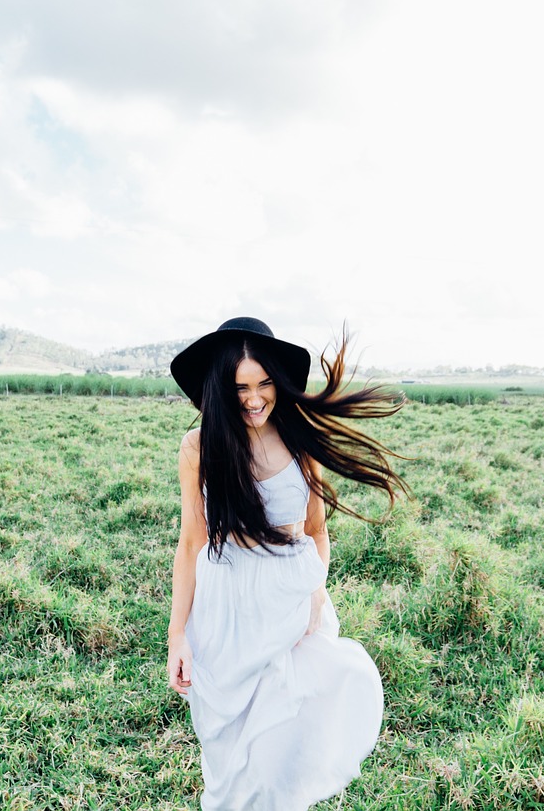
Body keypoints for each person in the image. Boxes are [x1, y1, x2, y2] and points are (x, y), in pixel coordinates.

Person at [166, 317, 406, 810]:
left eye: (264, 384)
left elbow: (317, 533)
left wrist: (315, 593)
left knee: (279, 759)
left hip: (289, 610)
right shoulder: (199, 447)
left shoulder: (300, 438)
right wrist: (177, 636)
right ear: (220, 388)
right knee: (229, 764)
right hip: (225, 614)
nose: (254, 399)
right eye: (240, 388)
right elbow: (191, 543)